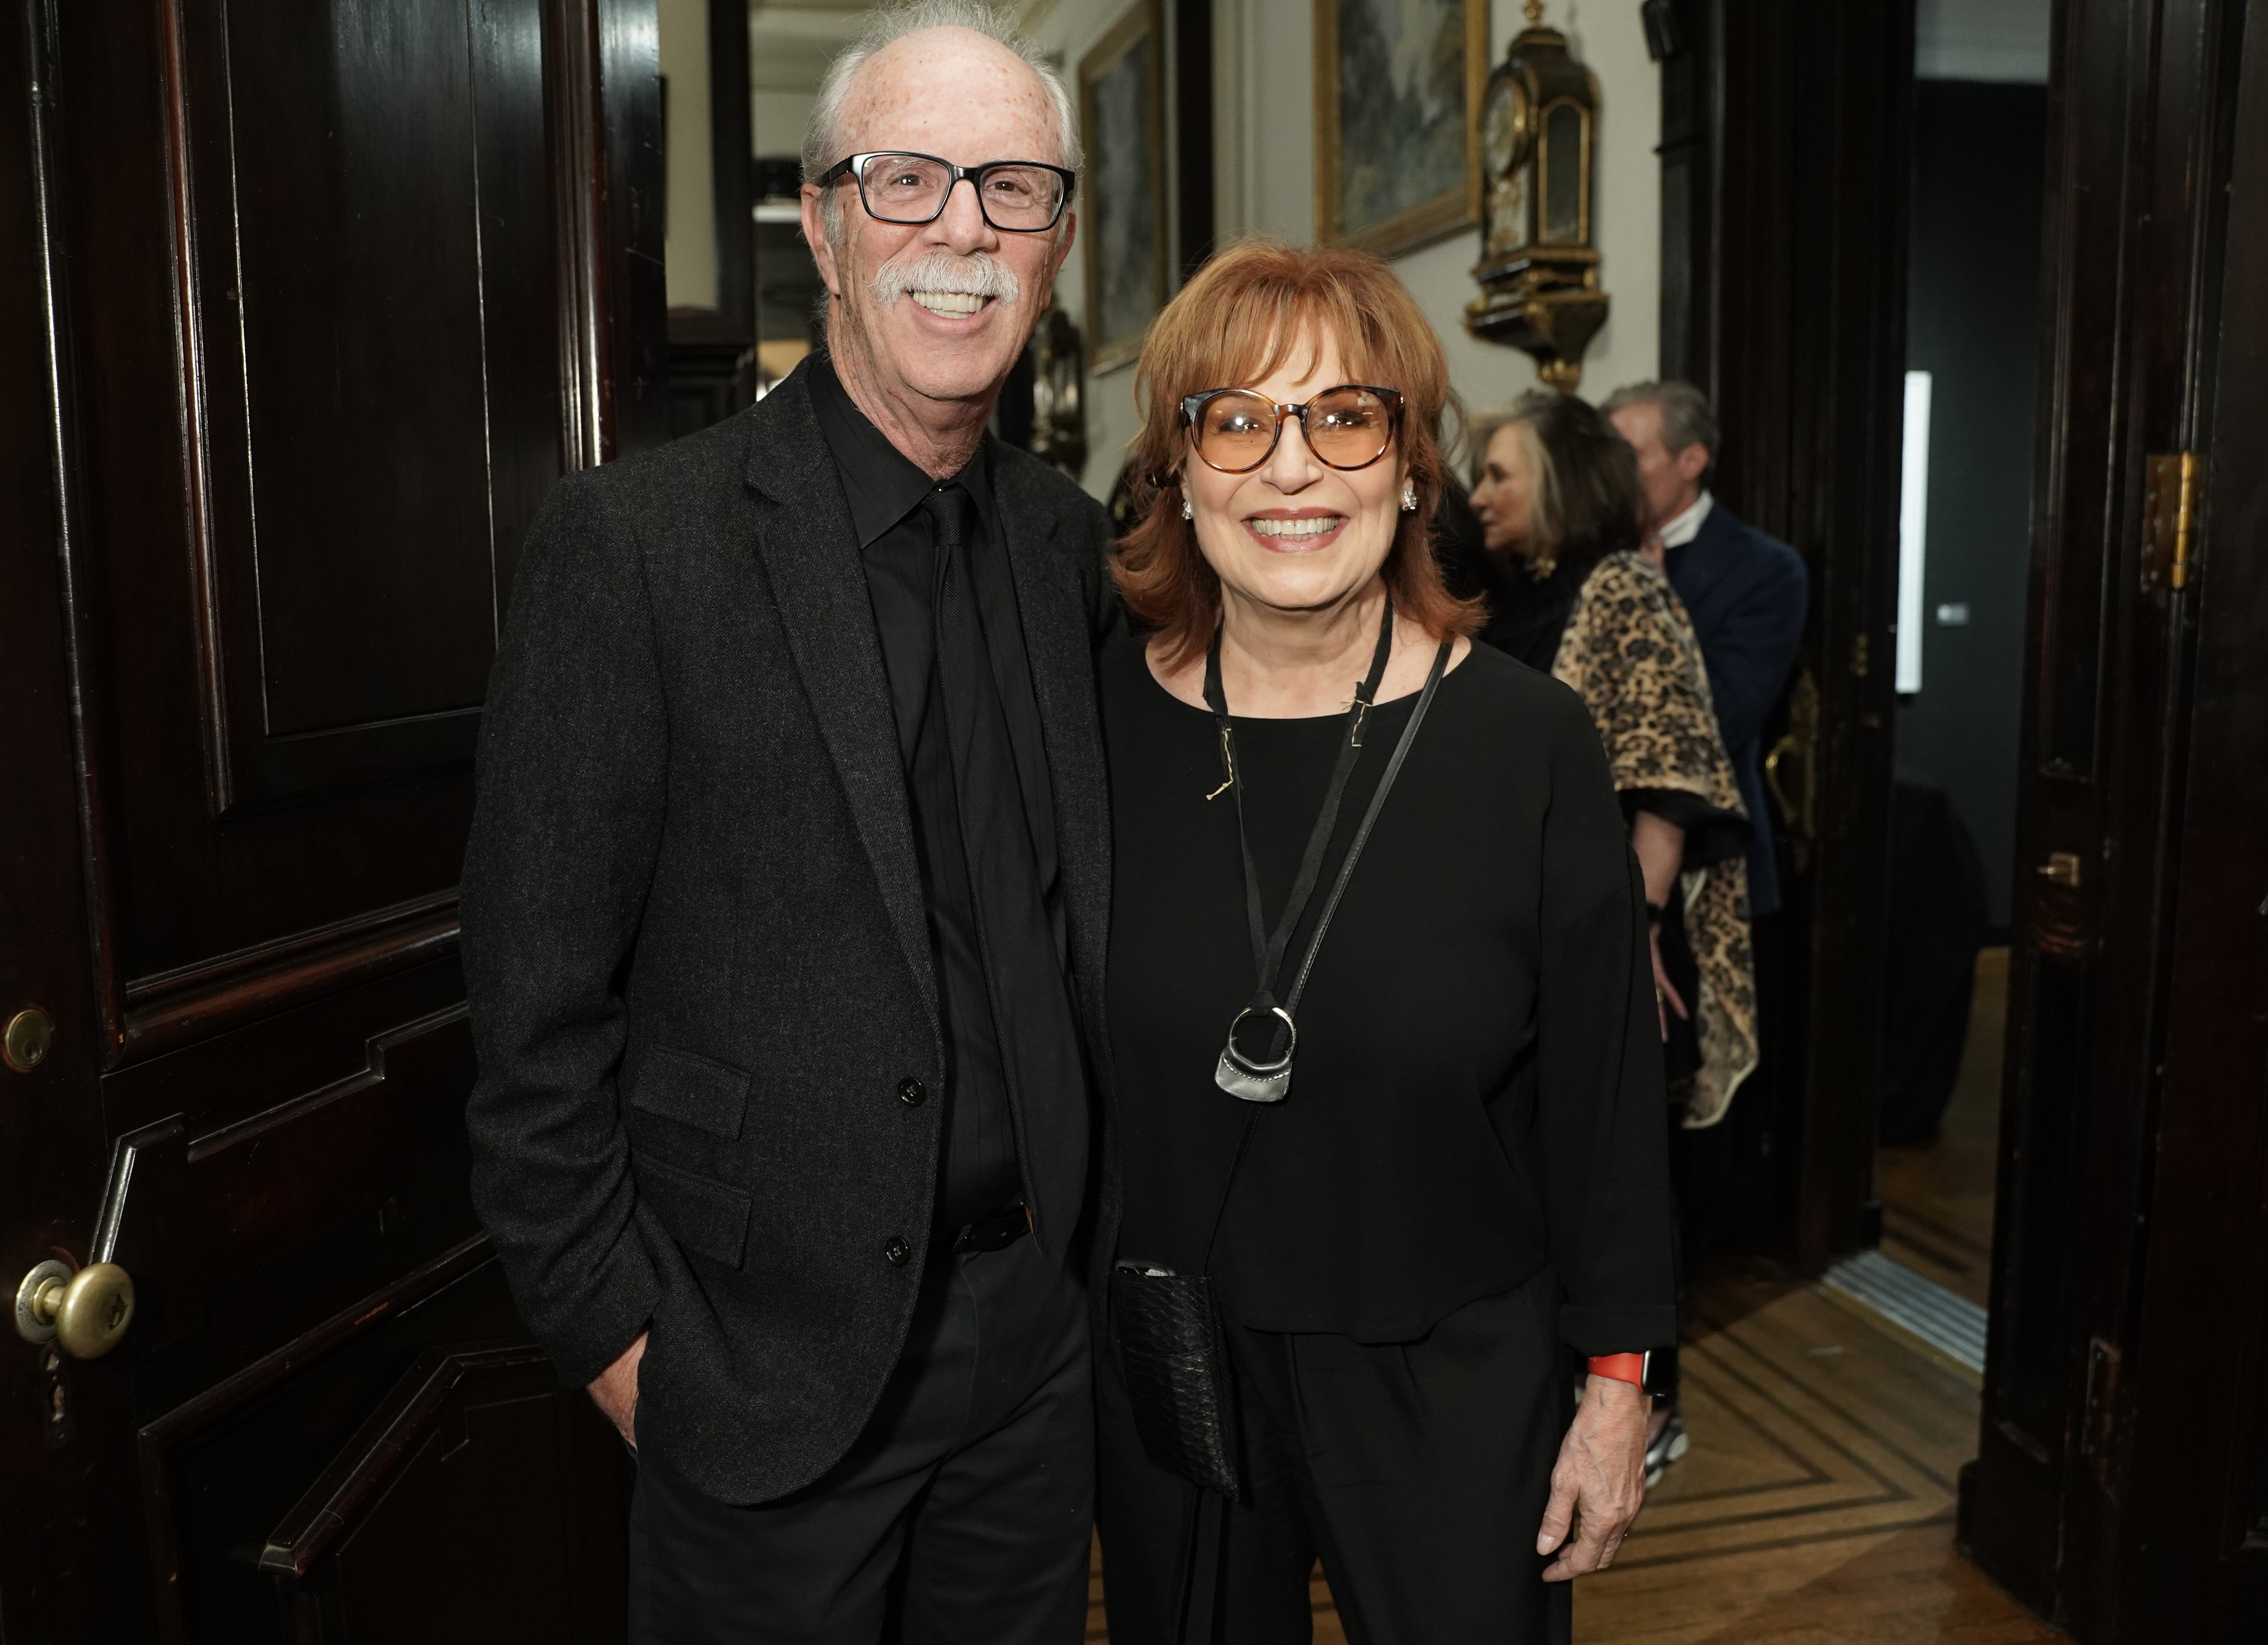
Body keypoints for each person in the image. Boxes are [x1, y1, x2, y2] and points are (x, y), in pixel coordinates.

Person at [459, 4, 1114, 1640]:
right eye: (906, 181)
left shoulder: (1076, 549)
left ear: (1058, 242)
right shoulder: (638, 547)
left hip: (1042, 1349)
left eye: (1013, 188)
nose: (961, 229)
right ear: (822, 223)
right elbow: (533, 1017)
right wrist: (627, 1342)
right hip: (764, 1370)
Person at [1094, 239, 1675, 1645]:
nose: (1292, 470)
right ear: (1179, 471)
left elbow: (1605, 1105)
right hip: (1173, 1360)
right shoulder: (1091, 722)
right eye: (1238, 420)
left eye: (1343, 417)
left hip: (1453, 1370)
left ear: (1411, 466)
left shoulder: (1529, 742)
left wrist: (1616, 1393)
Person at [1469, 390, 1757, 1487]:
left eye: (1502, 472)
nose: (1482, 493)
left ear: (1561, 482)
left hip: (1618, 930)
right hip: (1533, 928)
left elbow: (1671, 782)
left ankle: (1652, 1403)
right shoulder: (1510, 593)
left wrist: (1629, 928)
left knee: (1625, 1171)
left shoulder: (1624, 587)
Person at [1602, 381, 1808, 921]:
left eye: (1633, 457)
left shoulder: (1766, 569)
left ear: (1691, 460)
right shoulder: (1593, 555)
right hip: (1596, 854)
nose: (1614, 476)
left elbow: (1723, 718)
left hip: (1708, 862)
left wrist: (1654, 607)